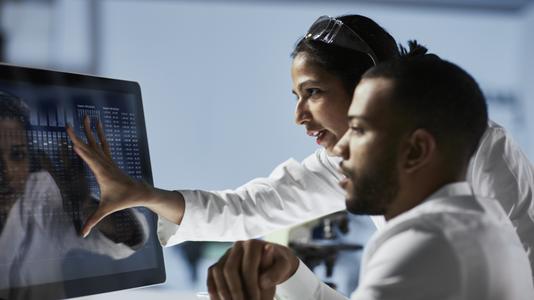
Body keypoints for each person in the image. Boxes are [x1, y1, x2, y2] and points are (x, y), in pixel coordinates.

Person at [66, 14, 534, 275]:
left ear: (370, 87)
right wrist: (143, 196)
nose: (299, 116)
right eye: (296, 97)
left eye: (313, 92)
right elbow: (248, 208)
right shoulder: (342, 162)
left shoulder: (479, 149)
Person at [206, 48, 534, 300]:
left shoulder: (425, 244)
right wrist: (293, 276)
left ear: (417, 150)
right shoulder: (481, 225)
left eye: (359, 130)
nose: (341, 147)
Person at [0, 91, 148, 299]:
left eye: (17, 155)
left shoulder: (41, 197)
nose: (6, 173)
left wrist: (85, 204)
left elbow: (130, 238)